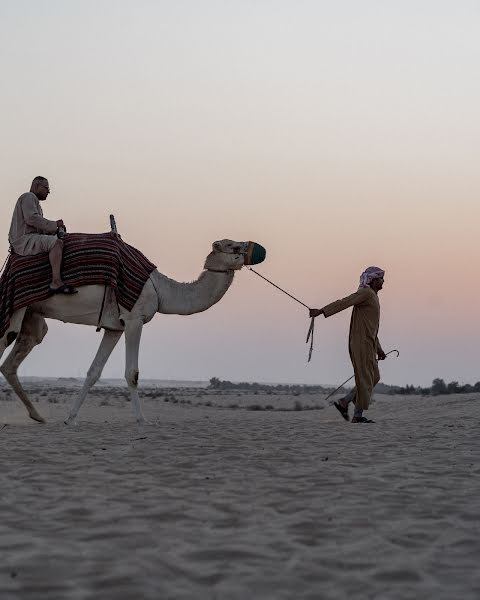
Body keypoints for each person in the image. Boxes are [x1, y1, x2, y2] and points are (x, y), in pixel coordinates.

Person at [309, 267, 386, 423]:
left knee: (374, 377)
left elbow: (372, 329)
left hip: (369, 343)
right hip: (360, 343)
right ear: (373, 280)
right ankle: (358, 416)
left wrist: (379, 350)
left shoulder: (373, 297)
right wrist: (322, 311)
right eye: (381, 278)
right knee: (364, 378)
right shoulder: (366, 293)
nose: (383, 281)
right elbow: (345, 302)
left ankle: (345, 401)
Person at [8, 176, 77, 294]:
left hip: (29, 238)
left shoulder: (35, 203)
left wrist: (53, 230)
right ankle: (56, 281)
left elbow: (37, 226)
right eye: (46, 188)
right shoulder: (29, 196)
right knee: (56, 243)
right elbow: (32, 219)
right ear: (36, 186)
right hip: (24, 240)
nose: (48, 192)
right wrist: (54, 224)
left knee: (56, 238)